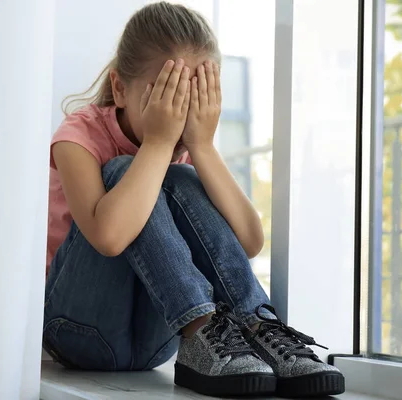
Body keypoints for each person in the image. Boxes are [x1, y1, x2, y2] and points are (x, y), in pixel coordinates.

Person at [43, 2, 345, 397]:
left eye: (190, 102)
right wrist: (158, 142)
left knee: (179, 177)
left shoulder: (186, 147)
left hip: (155, 343)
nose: (175, 117)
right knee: (125, 172)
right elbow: (109, 237)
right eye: (165, 99)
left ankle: (257, 327)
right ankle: (201, 324)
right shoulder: (79, 136)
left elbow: (250, 241)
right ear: (120, 88)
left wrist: (201, 146)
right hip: (76, 329)